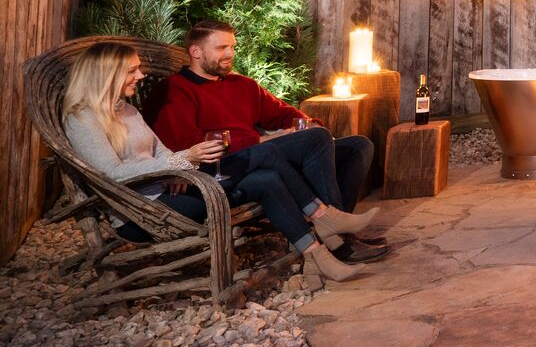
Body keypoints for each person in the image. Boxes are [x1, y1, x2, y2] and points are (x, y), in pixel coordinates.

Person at [62, 41, 370, 283]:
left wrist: (177, 167)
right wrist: (185, 160)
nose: (139, 76)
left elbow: (159, 155)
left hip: (174, 191)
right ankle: (323, 216)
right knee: (264, 153)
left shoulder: (127, 110)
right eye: (132, 70)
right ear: (107, 74)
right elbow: (112, 174)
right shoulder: (81, 119)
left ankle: (317, 256)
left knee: (267, 179)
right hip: (142, 212)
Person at [149, 20, 388, 264]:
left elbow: (281, 113)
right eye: (222, 48)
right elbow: (190, 144)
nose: (230, 54)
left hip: (264, 153)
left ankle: (334, 228)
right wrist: (262, 139)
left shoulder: (242, 85)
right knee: (316, 139)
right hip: (225, 166)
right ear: (195, 52)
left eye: (232, 47)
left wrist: (305, 123)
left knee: (358, 146)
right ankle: (342, 244)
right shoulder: (174, 91)